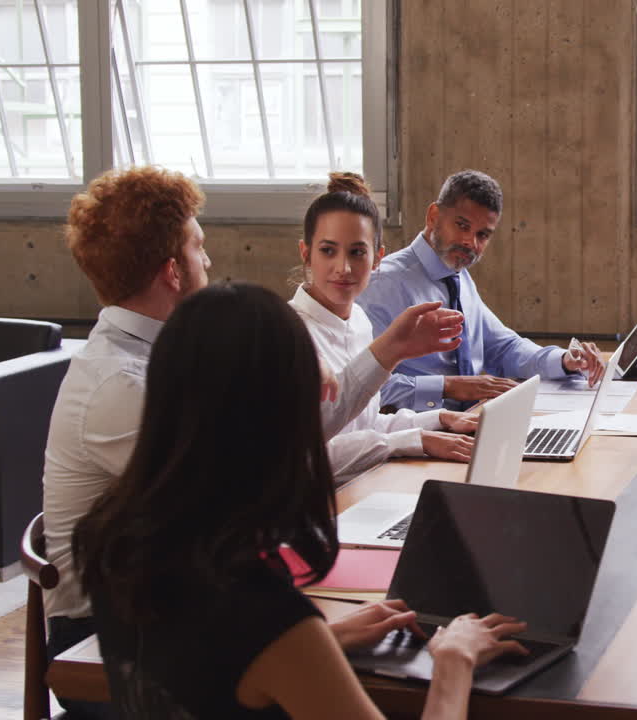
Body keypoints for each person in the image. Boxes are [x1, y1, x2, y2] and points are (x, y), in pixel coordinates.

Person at [42, 167, 468, 711]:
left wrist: (314, 646)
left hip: (174, 631)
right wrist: (451, 661)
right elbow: (247, 485)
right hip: (109, 643)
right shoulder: (124, 387)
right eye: (200, 246)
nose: (210, 260)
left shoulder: (158, 362)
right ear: (173, 271)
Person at [72, 284, 528, 719]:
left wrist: (322, 643)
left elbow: (208, 672)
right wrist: (454, 660)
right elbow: (252, 645)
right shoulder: (266, 615)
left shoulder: (110, 540)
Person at [357, 169, 605, 411]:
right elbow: (365, 388)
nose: (470, 243)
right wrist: (448, 387)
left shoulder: (458, 277)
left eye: (483, 235)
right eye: (462, 226)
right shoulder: (383, 284)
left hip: (471, 422)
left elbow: (503, 347)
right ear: (433, 216)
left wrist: (563, 361)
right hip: (418, 434)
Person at [291, 172, 482, 464]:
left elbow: (365, 426)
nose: (343, 267)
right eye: (328, 251)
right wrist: (413, 440)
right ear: (306, 254)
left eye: (357, 252)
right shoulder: (287, 333)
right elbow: (305, 454)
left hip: (366, 487)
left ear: (377, 258)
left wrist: (439, 419)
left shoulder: (358, 320)